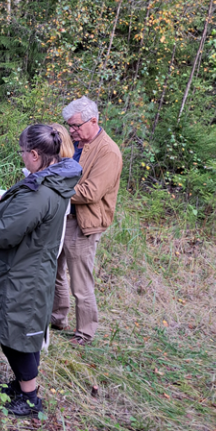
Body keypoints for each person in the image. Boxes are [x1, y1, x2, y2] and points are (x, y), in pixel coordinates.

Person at [0, 125, 82, 416]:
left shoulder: (40, 192)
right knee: (21, 330)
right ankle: (21, 385)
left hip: (23, 272)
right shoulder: (54, 181)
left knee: (17, 333)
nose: (21, 157)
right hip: (27, 266)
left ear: (34, 154)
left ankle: (30, 398)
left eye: (22, 152)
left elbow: (7, 232)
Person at [50, 97, 123, 346]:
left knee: (80, 281)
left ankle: (85, 333)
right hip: (62, 216)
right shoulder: (77, 143)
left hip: (84, 223)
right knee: (54, 271)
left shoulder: (109, 152)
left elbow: (91, 192)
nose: (72, 131)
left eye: (76, 126)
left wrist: (53, 188)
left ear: (94, 120)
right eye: (69, 125)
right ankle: (57, 318)